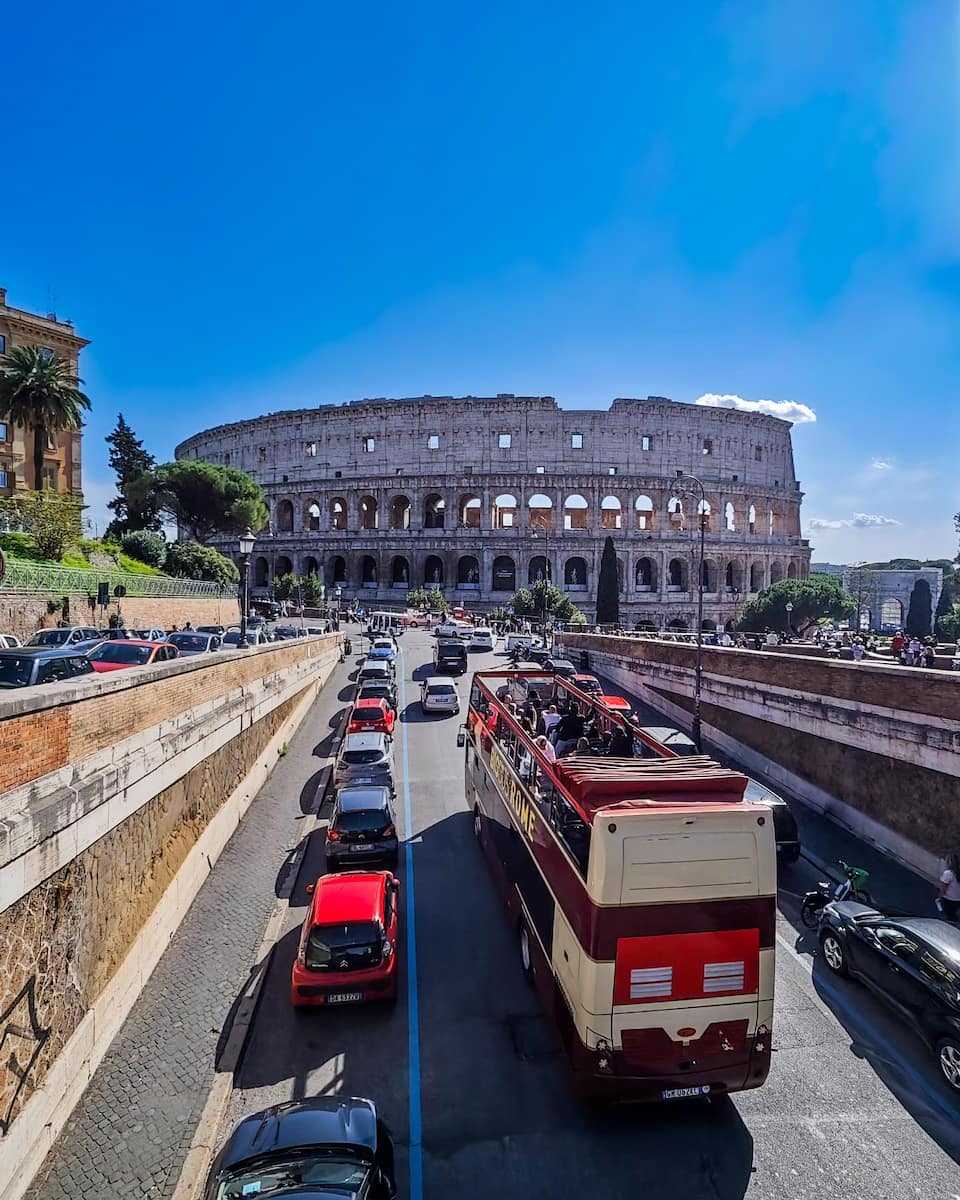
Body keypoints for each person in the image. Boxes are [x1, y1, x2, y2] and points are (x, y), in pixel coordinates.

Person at [939, 852, 960, 921]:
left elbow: (944, 888)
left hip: (948, 899)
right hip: (958, 899)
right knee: (953, 913)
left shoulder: (948, 873)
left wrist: (939, 896)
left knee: (946, 914)